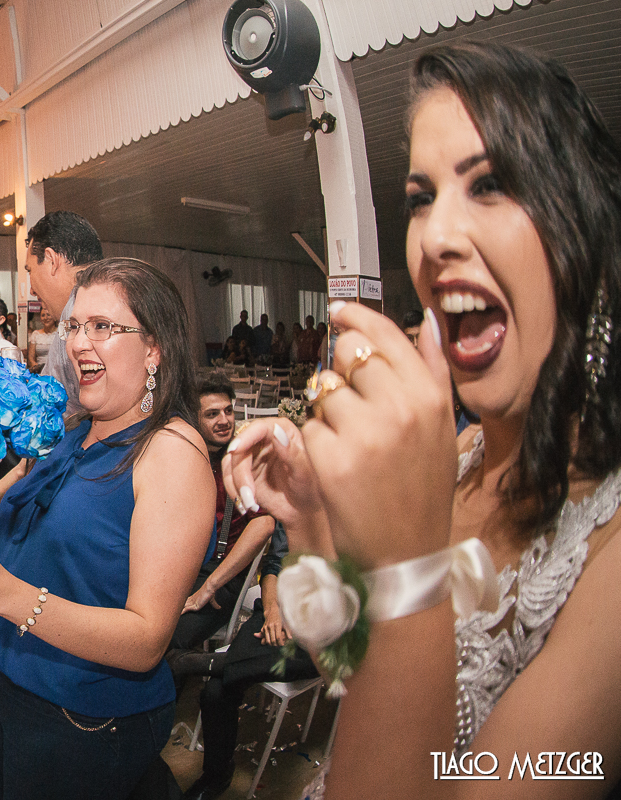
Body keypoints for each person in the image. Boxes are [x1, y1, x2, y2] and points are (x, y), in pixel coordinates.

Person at [223, 42, 621, 797]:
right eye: (420, 197)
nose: (435, 238)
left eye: (492, 185)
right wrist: (307, 519)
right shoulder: (458, 458)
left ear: (587, 237)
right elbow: (343, 657)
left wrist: (406, 571)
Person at [0, 257, 216, 800]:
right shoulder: (73, 434)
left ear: (154, 348)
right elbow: (13, 543)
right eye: (75, 326)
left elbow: (146, 640)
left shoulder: (170, 452)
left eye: (103, 327)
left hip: (81, 717)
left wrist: (5, 596)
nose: (79, 343)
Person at [183, 525, 318, 800]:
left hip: (329, 626)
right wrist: (272, 611)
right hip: (281, 607)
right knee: (215, 693)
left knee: (321, 655)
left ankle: (210, 664)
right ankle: (216, 778)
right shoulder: (299, 500)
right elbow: (274, 566)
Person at [173, 374, 273, 653]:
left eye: (228, 411)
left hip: (224, 574)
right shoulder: (186, 457)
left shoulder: (245, 460)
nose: (224, 420)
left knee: (172, 636)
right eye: (212, 414)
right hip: (183, 569)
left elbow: (264, 524)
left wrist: (210, 586)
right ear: (193, 419)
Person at [24, 210, 105, 414]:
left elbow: (52, 411)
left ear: (51, 260)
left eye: (30, 270)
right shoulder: (120, 296)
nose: (32, 290)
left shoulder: (75, 313)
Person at [26, 303, 58, 373]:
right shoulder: (36, 334)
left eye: (48, 315)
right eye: (43, 315)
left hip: (57, 370)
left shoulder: (60, 334)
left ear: (54, 317)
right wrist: (39, 369)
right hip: (40, 371)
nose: (46, 318)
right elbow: (31, 358)